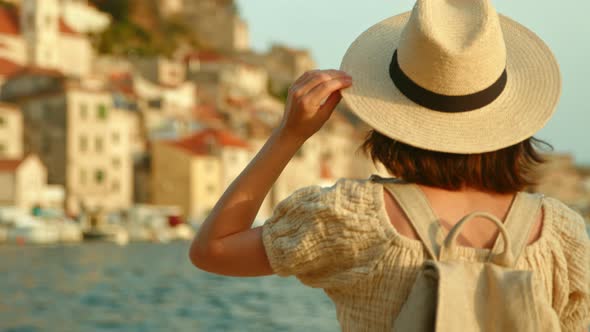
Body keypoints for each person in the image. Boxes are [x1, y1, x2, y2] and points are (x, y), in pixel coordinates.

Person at [189, 0, 590, 330]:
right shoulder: (561, 234)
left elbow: (213, 249)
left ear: (389, 116)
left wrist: (288, 135)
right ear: (509, 119)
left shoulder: (354, 218)